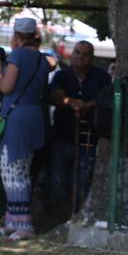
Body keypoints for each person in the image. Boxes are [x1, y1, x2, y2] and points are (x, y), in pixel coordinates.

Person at [0, 18, 54, 240]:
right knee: (23, 172)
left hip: (16, 118)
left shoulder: (17, 56)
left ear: (16, 35)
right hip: (36, 116)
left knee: (11, 172)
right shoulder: (42, 59)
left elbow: (6, 86)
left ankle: (24, 225)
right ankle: (12, 222)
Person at [47, 41, 111, 214]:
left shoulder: (102, 77)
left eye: (85, 54)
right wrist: (71, 103)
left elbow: (106, 99)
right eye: (78, 52)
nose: (81, 57)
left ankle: (79, 215)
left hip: (89, 139)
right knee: (59, 180)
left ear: (92, 57)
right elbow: (53, 97)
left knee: (84, 181)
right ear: (72, 54)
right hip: (62, 135)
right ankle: (59, 217)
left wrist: (87, 106)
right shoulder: (62, 75)